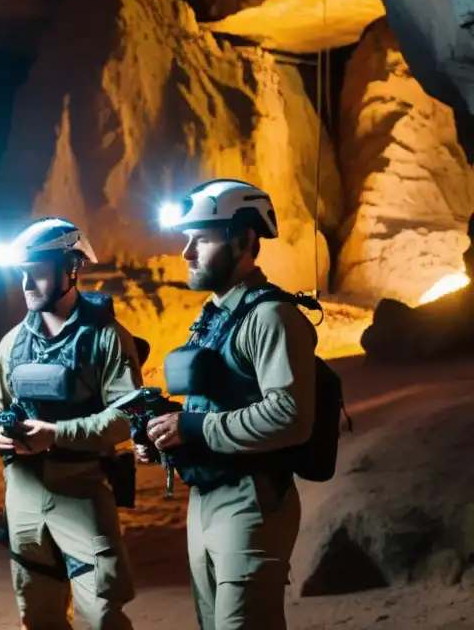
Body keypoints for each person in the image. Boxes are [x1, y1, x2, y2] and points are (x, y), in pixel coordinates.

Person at [143, 179, 318, 630]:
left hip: (251, 498)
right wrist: (164, 435)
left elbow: (290, 416)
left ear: (243, 240)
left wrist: (193, 428)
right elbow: (212, 402)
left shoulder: (271, 317)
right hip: (205, 499)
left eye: (199, 240)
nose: (186, 253)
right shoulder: (215, 318)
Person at [0, 217, 140, 630]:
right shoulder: (13, 342)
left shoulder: (106, 337)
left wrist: (56, 435)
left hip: (82, 491)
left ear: (72, 268)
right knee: (39, 617)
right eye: (22, 273)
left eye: (38, 271)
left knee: (103, 614)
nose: (27, 283)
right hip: (24, 498)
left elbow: (126, 413)